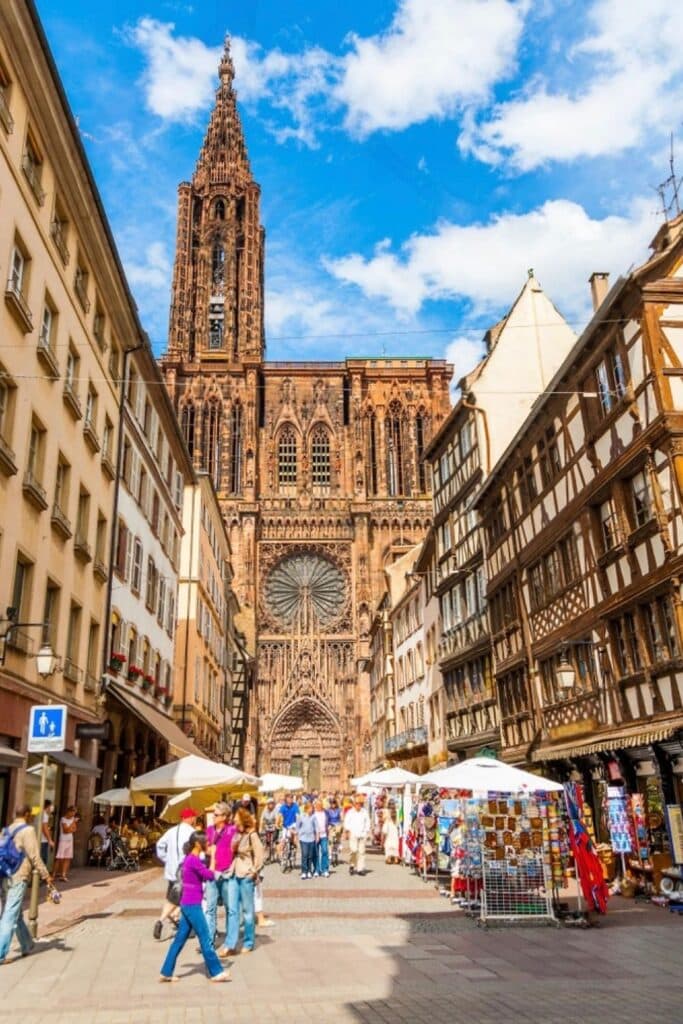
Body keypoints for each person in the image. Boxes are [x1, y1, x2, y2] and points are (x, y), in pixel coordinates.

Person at [159, 831, 228, 983]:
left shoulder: (191, 860)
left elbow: (204, 875)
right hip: (192, 905)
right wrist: (214, 856)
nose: (208, 845)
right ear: (198, 844)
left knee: (179, 939)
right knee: (205, 937)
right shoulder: (193, 860)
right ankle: (216, 971)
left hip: (187, 903)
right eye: (206, 842)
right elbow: (210, 875)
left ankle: (166, 971)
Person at [0, 804, 53, 964]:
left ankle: (27, 944)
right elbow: (34, 855)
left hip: (5, 875)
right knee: (9, 914)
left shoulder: (6, 830)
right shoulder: (28, 831)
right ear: (27, 814)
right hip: (19, 875)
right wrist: (46, 875)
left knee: (15, 914)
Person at [219, 809, 263, 958]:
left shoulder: (252, 835)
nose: (234, 821)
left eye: (236, 818)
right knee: (232, 909)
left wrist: (254, 871)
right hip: (233, 872)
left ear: (243, 819)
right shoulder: (236, 834)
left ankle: (248, 942)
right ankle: (230, 944)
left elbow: (260, 854)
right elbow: (231, 852)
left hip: (246, 874)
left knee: (248, 911)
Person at [153, 808, 197, 941]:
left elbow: (160, 845)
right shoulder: (192, 832)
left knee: (173, 898)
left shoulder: (171, 831)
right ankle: (180, 923)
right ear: (190, 818)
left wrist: (166, 858)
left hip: (172, 871)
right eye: (194, 817)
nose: (195, 820)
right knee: (185, 899)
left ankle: (167, 920)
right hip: (185, 871)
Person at [204, 802, 237, 947]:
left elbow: (237, 851)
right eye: (213, 814)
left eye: (216, 815)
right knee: (210, 909)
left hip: (227, 873)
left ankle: (230, 942)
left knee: (230, 909)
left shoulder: (232, 830)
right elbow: (205, 849)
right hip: (212, 873)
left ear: (224, 816)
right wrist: (211, 850)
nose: (213, 817)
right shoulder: (209, 830)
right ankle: (209, 941)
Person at [344, 794, 370, 876]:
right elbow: (346, 822)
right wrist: (348, 830)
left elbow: (367, 822)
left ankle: (360, 868)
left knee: (361, 852)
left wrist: (366, 831)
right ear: (354, 804)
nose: (359, 805)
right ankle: (352, 865)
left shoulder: (364, 812)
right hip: (353, 833)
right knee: (354, 850)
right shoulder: (350, 812)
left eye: (360, 804)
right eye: (357, 804)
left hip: (362, 834)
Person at [54, 806, 78, 882]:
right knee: (59, 857)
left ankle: (63, 874)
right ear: (69, 811)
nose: (73, 814)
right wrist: (73, 823)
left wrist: (71, 827)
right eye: (73, 812)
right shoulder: (63, 819)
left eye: (74, 813)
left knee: (67, 858)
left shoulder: (72, 819)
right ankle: (54, 874)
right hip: (63, 840)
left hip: (70, 840)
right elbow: (65, 830)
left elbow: (74, 829)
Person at [296, 801, 318, 880]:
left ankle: (309, 870)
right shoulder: (301, 816)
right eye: (310, 808)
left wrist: (317, 836)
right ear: (306, 808)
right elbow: (297, 827)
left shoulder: (314, 817)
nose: (311, 810)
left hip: (311, 838)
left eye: (312, 808)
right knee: (304, 855)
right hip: (303, 838)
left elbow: (316, 827)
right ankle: (304, 871)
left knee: (310, 856)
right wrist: (297, 836)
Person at [277, 792, 299, 858]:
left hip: (293, 824)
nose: (290, 799)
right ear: (286, 799)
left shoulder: (295, 806)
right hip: (285, 825)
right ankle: (282, 855)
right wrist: (277, 823)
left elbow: (298, 816)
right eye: (289, 798)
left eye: (292, 798)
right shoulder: (283, 806)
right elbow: (279, 815)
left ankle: (294, 849)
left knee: (293, 839)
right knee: (283, 839)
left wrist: (298, 826)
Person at [313, 798, 329, 878]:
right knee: (315, 853)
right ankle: (316, 870)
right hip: (315, 835)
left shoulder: (325, 813)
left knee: (325, 851)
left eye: (320, 805)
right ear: (315, 805)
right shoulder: (313, 813)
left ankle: (325, 870)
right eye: (317, 805)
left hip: (324, 835)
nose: (319, 806)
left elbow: (328, 822)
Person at [40, 800, 54, 869]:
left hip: (41, 839)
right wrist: (50, 840)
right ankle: (42, 876)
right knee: (43, 858)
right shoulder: (44, 815)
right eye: (51, 806)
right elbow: (44, 828)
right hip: (43, 840)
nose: (52, 808)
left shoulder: (40, 813)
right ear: (48, 806)